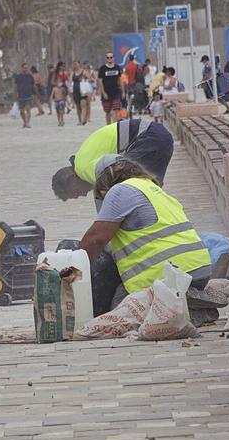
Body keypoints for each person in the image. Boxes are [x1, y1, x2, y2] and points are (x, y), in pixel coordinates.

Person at [78, 156, 215, 319]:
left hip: (166, 275)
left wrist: (73, 269)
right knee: (121, 295)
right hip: (199, 270)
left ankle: (181, 311)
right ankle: (187, 303)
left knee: (119, 316)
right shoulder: (153, 188)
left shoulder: (119, 191)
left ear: (105, 181)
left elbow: (95, 240)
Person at [51, 116, 175, 201]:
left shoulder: (83, 170)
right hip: (155, 135)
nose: (83, 195)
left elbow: (111, 176)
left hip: (147, 137)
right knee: (149, 191)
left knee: (131, 190)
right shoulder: (81, 160)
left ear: (71, 180)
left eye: (76, 193)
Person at [98, 52, 124, 124]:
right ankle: (108, 126)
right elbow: (100, 82)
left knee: (116, 109)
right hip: (106, 92)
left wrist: (123, 91)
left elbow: (120, 80)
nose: (109, 59)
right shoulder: (102, 69)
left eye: (111, 57)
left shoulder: (117, 68)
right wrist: (103, 93)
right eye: (108, 57)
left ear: (113, 58)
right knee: (107, 111)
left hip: (116, 92)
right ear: (106, 59)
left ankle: (115, 125)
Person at [13, 63, 35, 129]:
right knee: (22, 111)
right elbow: (15, 86)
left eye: (26, 68)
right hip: (21, 95)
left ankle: (27, 123)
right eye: (24, 68)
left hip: (28, 94)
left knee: (28, 109)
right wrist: (16, 94)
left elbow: (33, 85)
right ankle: (25, 122)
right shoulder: (18, 76)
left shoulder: (30, 76)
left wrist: (33, 94)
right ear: (22, 68)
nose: (25, 69)